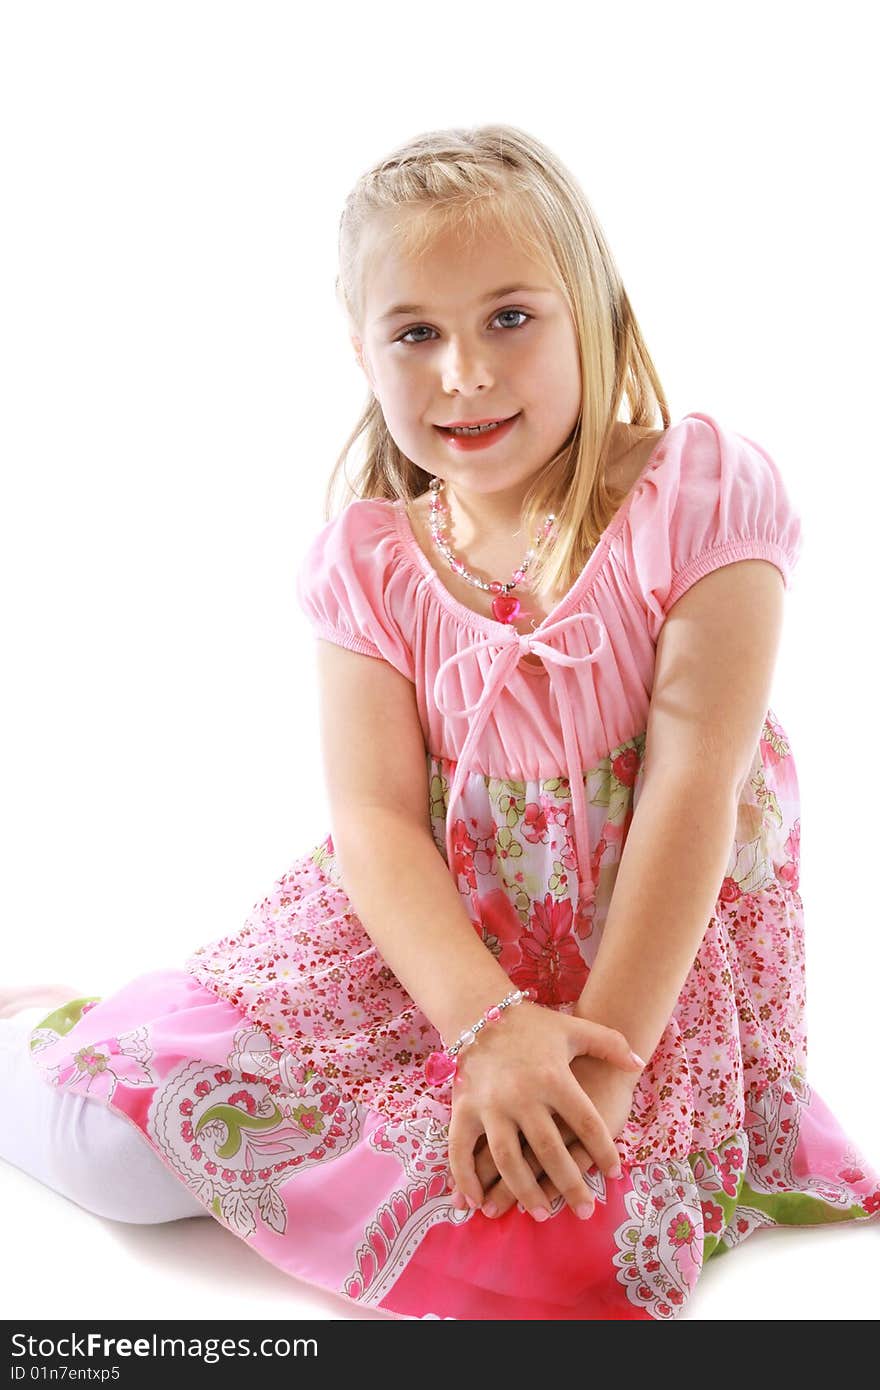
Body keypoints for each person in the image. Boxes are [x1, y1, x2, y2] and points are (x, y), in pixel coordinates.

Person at [2, 122, 878, 1322]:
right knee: (117, 1151)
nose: (462, 371)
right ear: (362, 353)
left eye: (509, 317)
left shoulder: (701, 499)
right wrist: (491, 1026)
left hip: (639, 976)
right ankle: (36, 1035)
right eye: (415, 332)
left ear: (593, 310)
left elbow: (694, 786)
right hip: (421, 958)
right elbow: (373, 821)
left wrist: (601, 1060)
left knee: (568, 1251)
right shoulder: (371, 563)